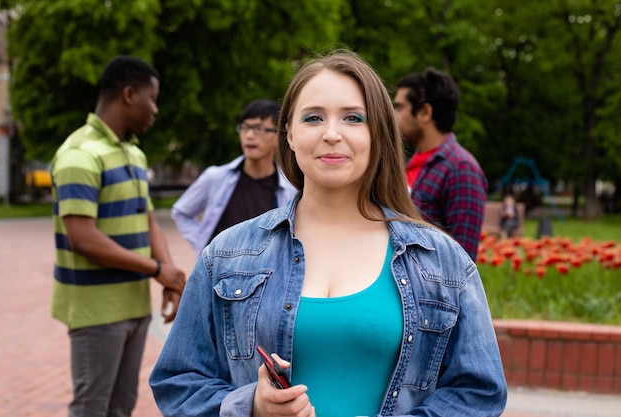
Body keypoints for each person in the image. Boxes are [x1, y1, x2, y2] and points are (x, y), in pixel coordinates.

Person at [149, 49, 507, 417]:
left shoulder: (442, 260)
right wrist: (251, 405)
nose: (332, 134)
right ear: (288, 134)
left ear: (378, 133)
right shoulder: (227, 254)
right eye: (313, 118)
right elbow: (178, 381)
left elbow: (478, 391)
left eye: (353, 118)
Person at [50, 55, 186, 417]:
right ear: (129, 95)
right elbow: (83, 238)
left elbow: (147, 220)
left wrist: (169, 275)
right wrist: (157, 269)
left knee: (121, 407)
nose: (155, 109)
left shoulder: (133, 154)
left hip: (133, 304)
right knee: (92, 408)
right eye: (151, 98)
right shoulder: (80, 155)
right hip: (96, 310)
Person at [171, 99, 297, 256]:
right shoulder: (216, 177)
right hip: (220, 275)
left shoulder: (291, 187)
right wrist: (205, 245)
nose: (249, 135)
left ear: (278, 136)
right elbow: (181, 212)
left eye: (258, 128)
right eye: (245, 128)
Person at [393, 67, 487, 260]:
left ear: (425, 112)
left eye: (400, 107)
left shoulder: (461, 169)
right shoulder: (409, 165)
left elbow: (463, 260)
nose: (393, 116)